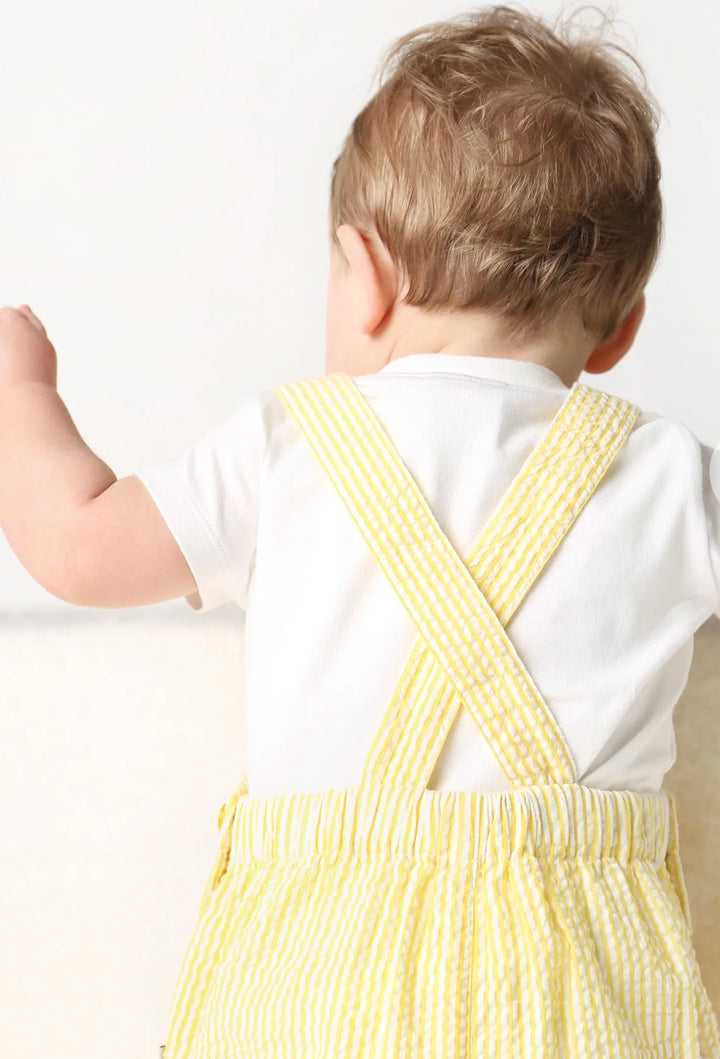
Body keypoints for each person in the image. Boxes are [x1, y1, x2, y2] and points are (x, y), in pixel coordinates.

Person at [1, 5, 719, 1056]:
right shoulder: (671, 478)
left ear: (366, 273)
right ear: (619, 330)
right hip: (588, 997)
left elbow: (77, 545)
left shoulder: (289, 444)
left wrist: (24, 395)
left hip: (317, 984)